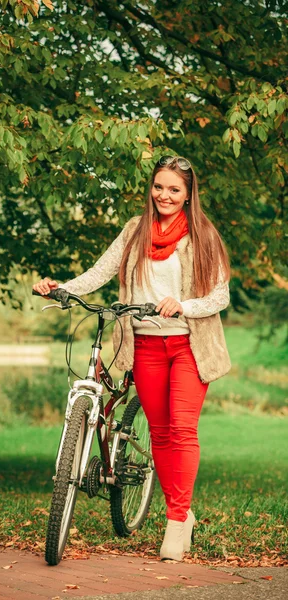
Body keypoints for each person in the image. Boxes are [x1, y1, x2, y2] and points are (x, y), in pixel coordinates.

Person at [33, 155, 231, 562]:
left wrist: (184, 306)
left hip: (188, 346)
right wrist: (61, 289)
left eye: (174, 189)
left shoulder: (203, 236)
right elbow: (100, 271)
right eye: (159, 187)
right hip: (144, 345)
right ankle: (181, 514)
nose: (165, 195)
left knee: (181, 429)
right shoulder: (135, 231)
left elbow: (220, 296)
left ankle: (178, 520)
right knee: (159, 434)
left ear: (189, 194)